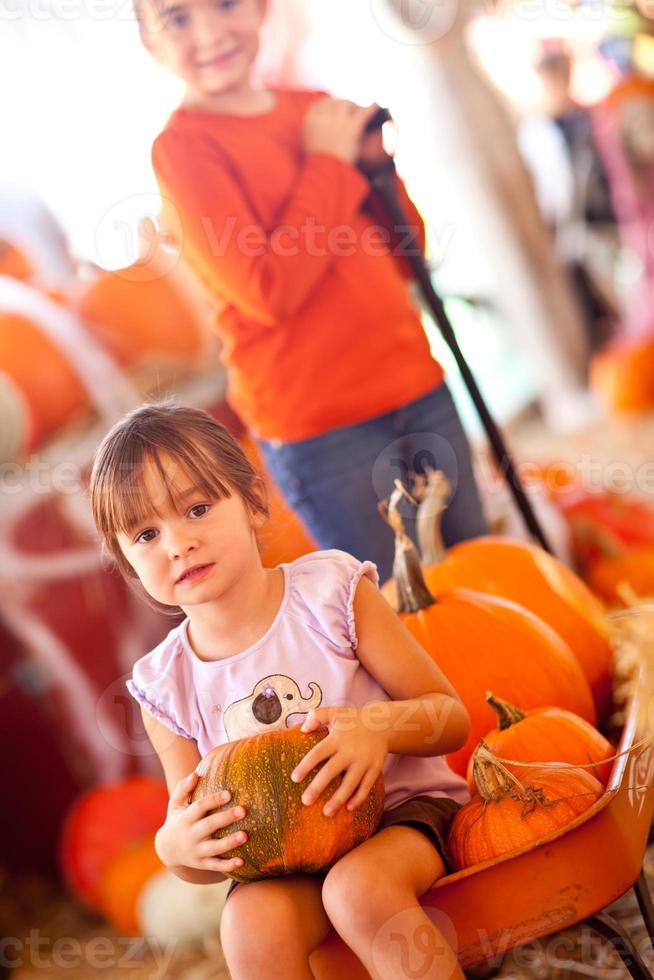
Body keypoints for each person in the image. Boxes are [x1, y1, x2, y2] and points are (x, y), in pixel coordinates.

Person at [90, 402, 470, 980]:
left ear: (251, 501)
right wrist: (176, 849)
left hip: (402, 816)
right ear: (126, 562)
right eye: (146, 533)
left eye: (197, 508)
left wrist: (376, 728)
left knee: (358, 888)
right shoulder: (165, 686)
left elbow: (450, 718)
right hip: (283, 864)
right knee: (248, 926)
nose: (178, 543)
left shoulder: (330, 594)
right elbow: (201, 829)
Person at [134, 0, 488, 582]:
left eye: (226, 5)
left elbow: (408, 254)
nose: (210, 32)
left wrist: (378, 170)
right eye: (177, 18)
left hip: (418, 387)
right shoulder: (183, 149)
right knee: (392, 602)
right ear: (151, 45)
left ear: (261, 8)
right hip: (323, 429)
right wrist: (328, 163)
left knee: (480, 568)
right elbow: (266, 291)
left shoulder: (314, 109)